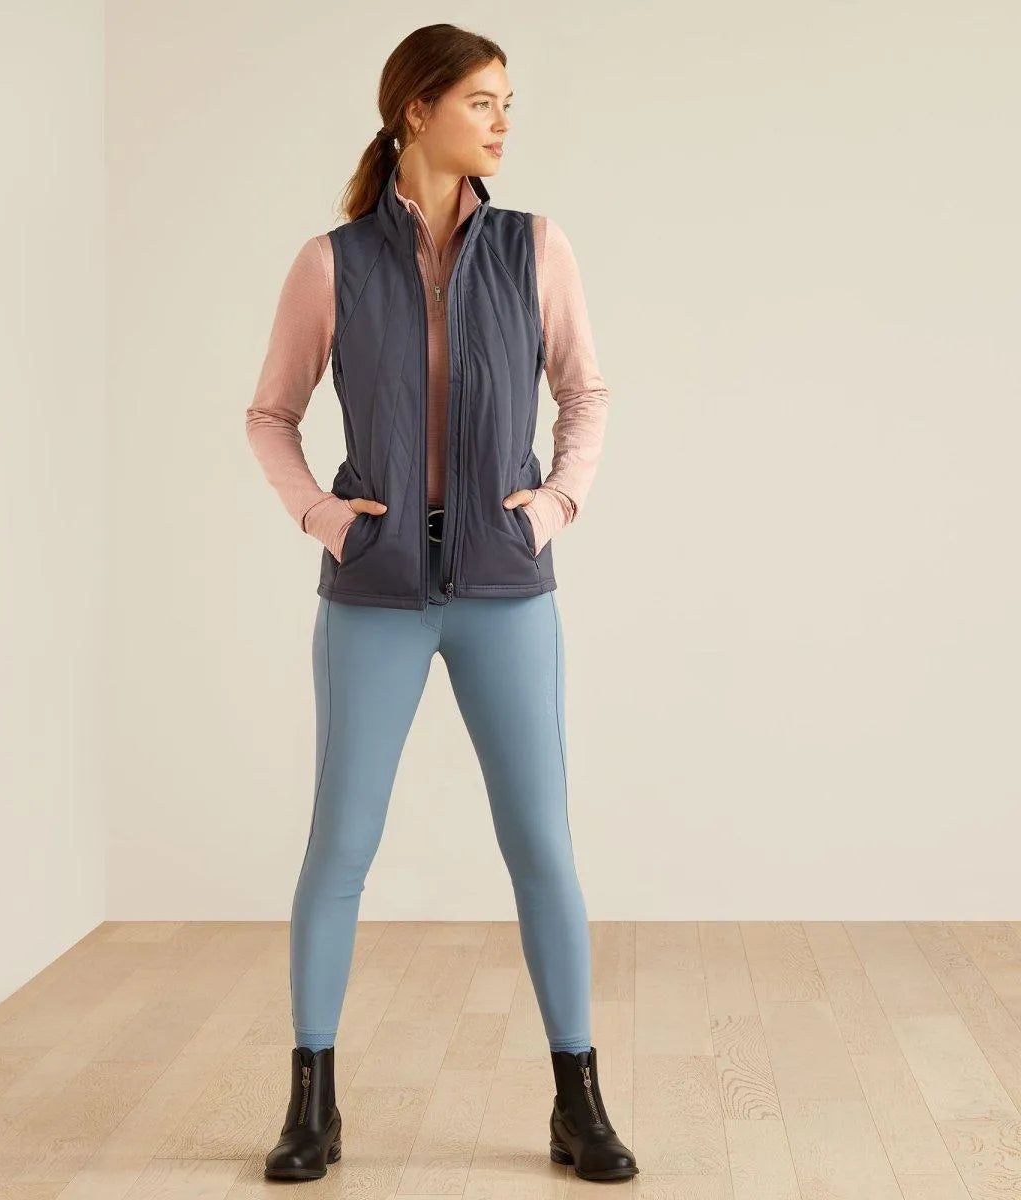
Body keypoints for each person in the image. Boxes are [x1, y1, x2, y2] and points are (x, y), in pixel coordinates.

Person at [245, 23, 638, 1185]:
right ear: (415, 110)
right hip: (373, 595)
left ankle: (578, 1102)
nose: (503, 121)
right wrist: (324, 517)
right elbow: (270, 414)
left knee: (541, 846)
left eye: (507, 101)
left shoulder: (534, 246)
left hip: (505, 589)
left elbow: (585, 392)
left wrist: (553, 505)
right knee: (340, 844)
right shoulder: (331, 263)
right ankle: (311, 1103)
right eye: (481, 100)